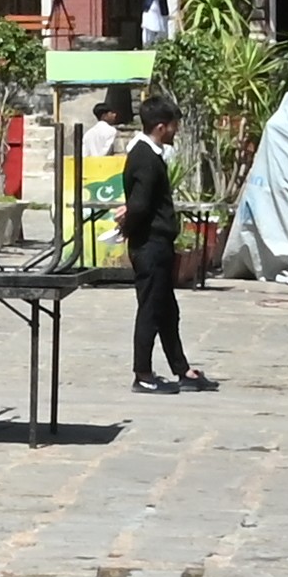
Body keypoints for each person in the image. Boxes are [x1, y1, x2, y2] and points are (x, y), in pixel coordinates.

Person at [117, 105, 213, 391]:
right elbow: (141, 204)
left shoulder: (148, 155)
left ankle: (181, 369)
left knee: (167, 310)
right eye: (173, 125)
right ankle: (143, 374)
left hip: (157, 244)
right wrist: (128, 224)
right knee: (150, 309)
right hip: (150, 245)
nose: (176, 131)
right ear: (161, 127)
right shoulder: (145, 158)